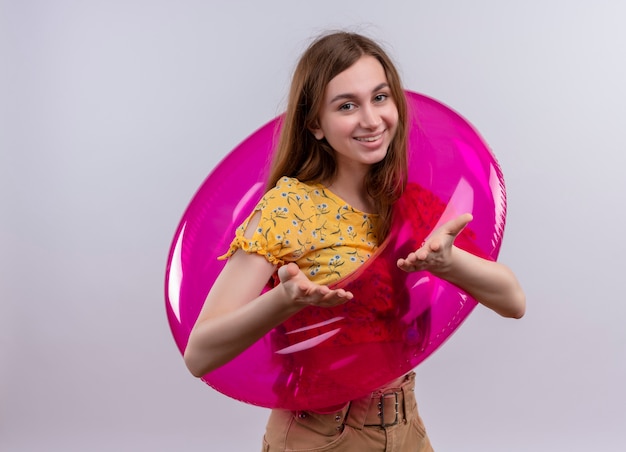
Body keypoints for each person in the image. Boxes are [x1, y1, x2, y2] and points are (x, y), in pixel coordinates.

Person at [183, 31, 526, 451]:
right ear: (315, 124)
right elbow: (200, 354)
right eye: (347, 105)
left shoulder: (408, 202)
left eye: (380, 97)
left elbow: (513, 302)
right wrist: (284, 300)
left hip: (406, 429)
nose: (371, 119)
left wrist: (449, 264)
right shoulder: (288, 207)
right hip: (322, 436)